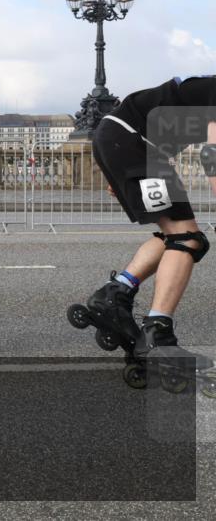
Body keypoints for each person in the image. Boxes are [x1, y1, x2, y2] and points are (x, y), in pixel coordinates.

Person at [71, 75, 215, 384]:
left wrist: (117, 168)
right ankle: (156, 335)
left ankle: (115, 294)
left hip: (121, 140)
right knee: (187, 239)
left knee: (175, 235)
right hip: (134, 144)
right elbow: (212, 154)